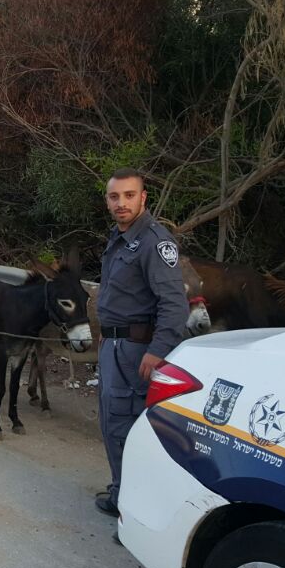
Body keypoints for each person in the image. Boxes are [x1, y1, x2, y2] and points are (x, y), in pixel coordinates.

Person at [94, 168, 187, 519]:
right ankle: (121, 493)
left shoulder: (154, 241)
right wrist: (108, 328)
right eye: (115, 197)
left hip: (137, 353)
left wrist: (157, 350)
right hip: (114, 346)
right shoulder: (119, 238)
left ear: (143, 198)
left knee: (125, 425)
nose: (121, 203)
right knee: (110, 421)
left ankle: (135, 513)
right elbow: (121, 294)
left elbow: (174, 304)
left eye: (129, 195)